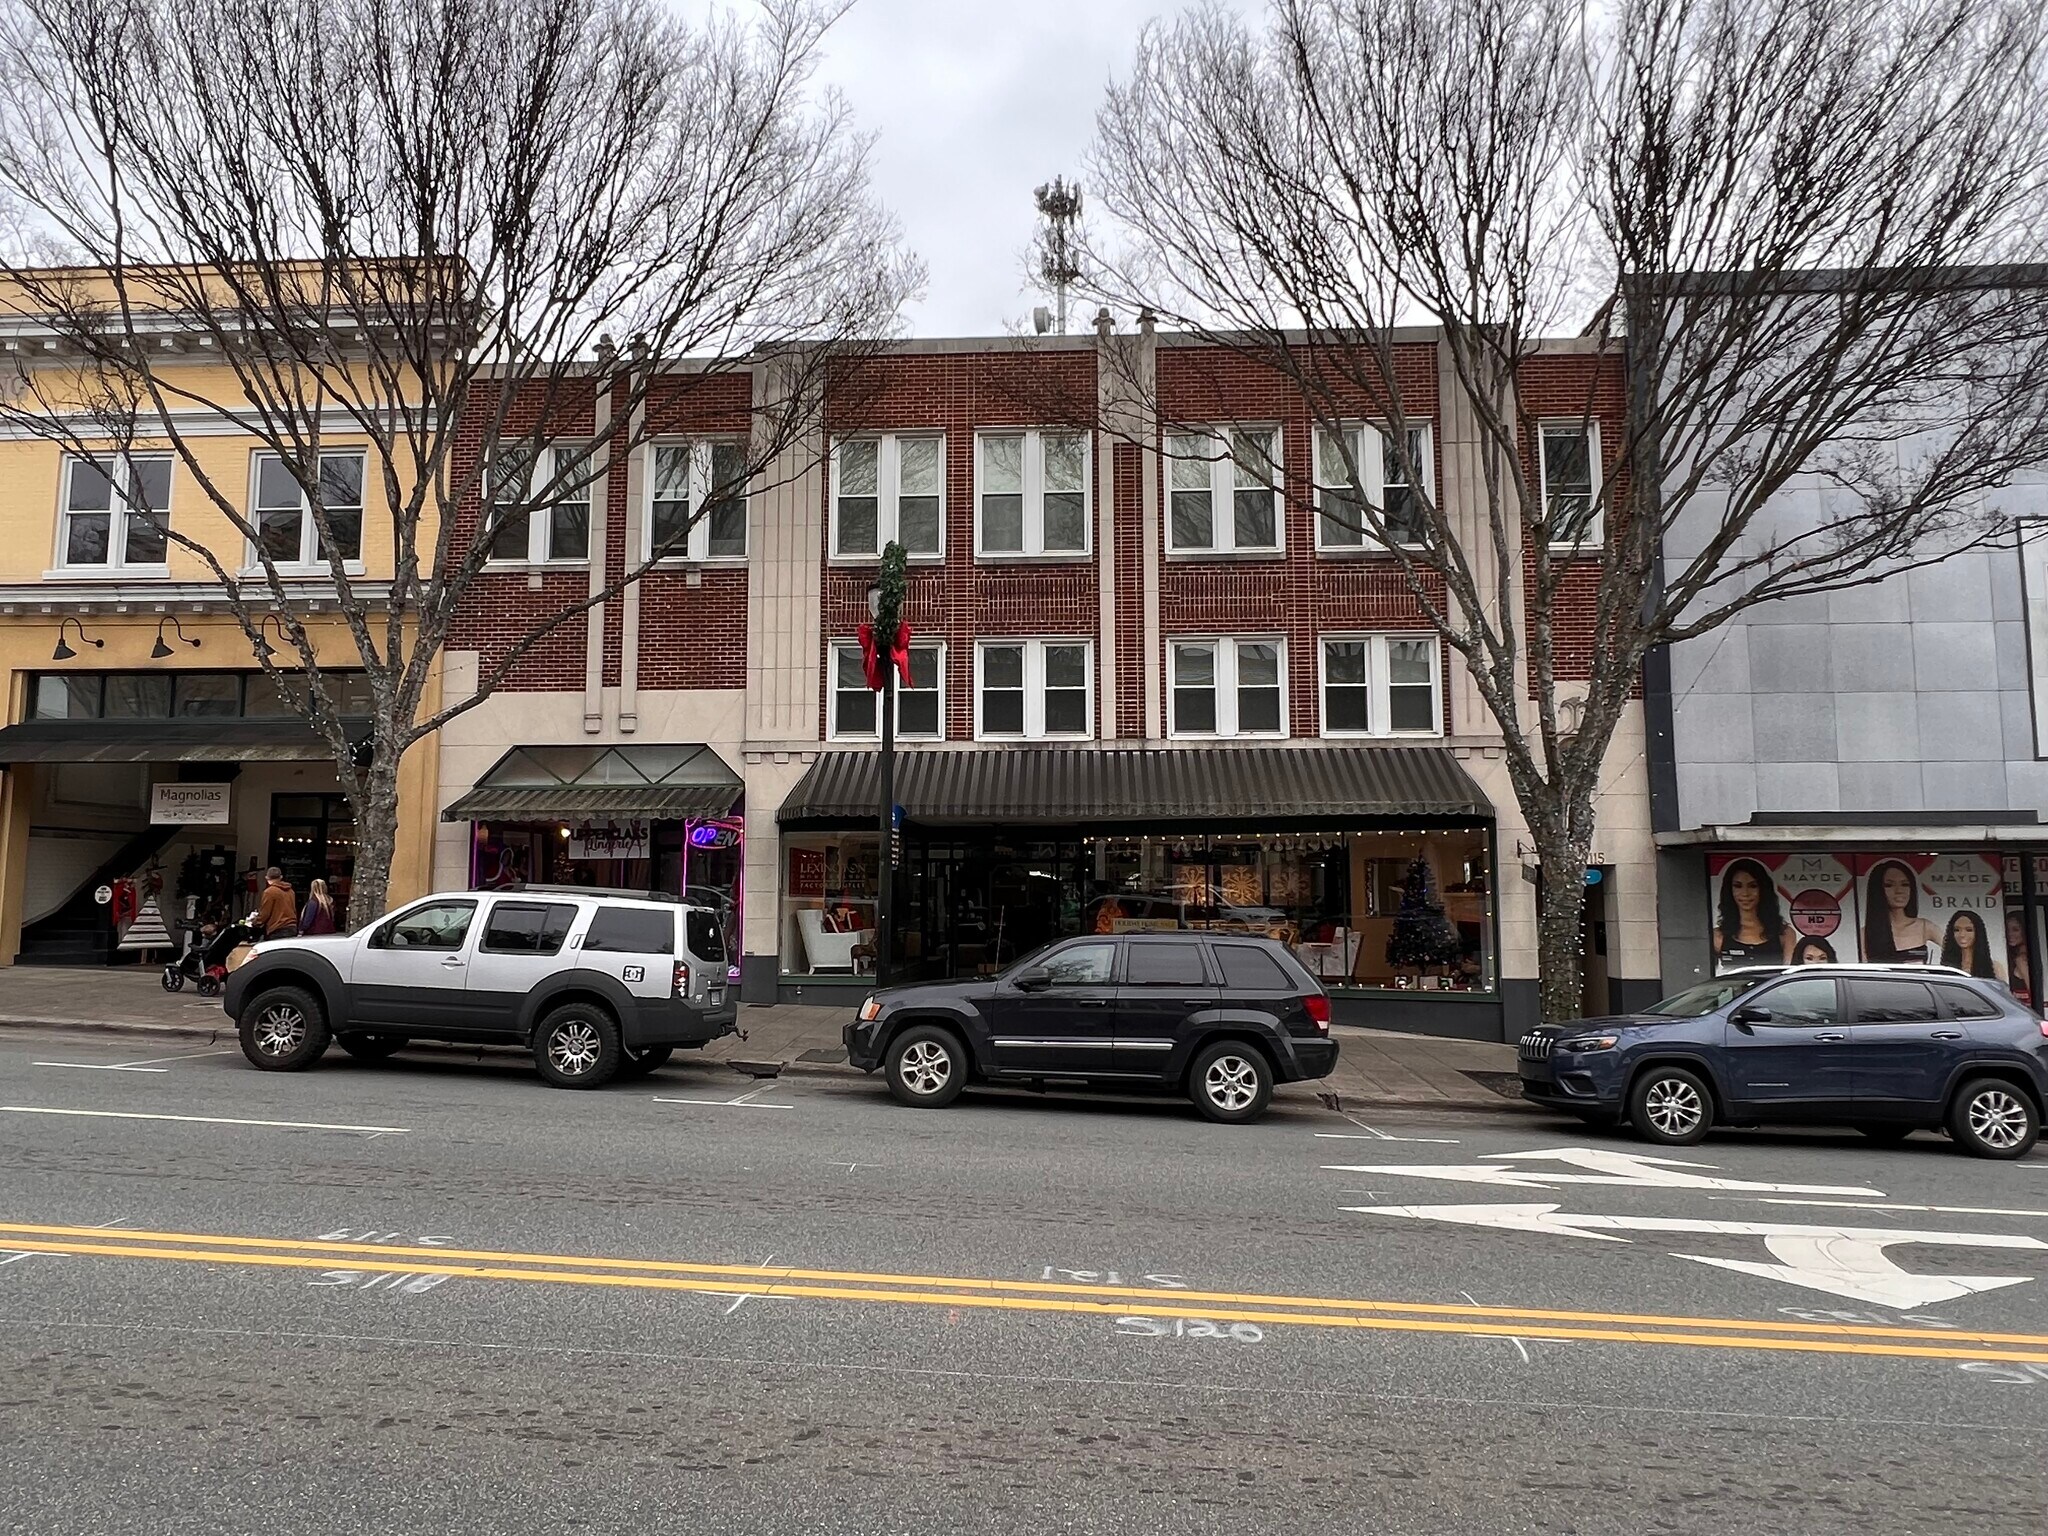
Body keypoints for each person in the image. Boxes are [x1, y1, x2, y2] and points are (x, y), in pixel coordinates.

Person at [1712, 858, 1795, 969]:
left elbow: (1789, 973)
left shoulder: (1785, 934)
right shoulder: (1718, 936)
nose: (1745, 893)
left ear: (1763, 889)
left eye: (1753, 886)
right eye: (1738, 886)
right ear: (1729, 890)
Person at [1862, 859, 1939, 964]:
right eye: (1889, 885)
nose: (1899, 891)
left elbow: (1954, 948)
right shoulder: (1866, 933)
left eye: (1905, 884)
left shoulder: (1924, 926)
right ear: (1877, 890)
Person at [1939, 908, 2003, 981]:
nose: (1962, 935)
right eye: (1957, 930)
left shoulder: (1995, 968)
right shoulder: (1947, 967)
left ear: (1978, 933)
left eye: (1969, 930)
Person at [257, 866, 300, 940]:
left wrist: (256, 921)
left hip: (277, 928)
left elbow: (265, 913)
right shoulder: (291, 891)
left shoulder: (269, 892)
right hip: (292, 927)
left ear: (267, 878)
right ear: (281, 877)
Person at [2007, 908, 2033, 1006]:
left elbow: (2035, 993)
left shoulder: (2022, 960)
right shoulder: (2013, 956)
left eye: (2015, 930)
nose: (2010, 934)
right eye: (2007, 929)